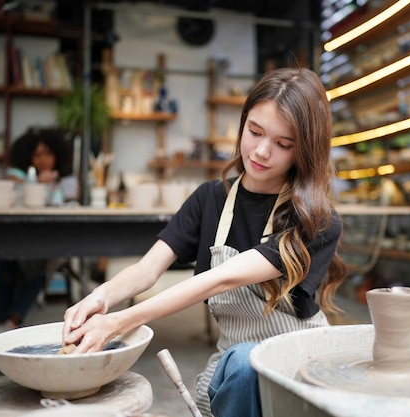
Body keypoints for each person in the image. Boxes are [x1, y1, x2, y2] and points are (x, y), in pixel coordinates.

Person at [62, 67, 347, 417]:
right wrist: (100, 297)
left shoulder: (316, 220)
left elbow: (221, 278)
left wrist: (121, 322)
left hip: (299, 364)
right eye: (254, 132)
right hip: (235, 361)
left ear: (304, 149)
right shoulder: (209, 199)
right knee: (240, 365)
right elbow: (147, 269)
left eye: (283, 144)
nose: (260, 151)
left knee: (246, 364)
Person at [0, 128, 76, 333]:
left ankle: (10, 322)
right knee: (1, 260)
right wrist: (37, 183)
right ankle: (3, 324)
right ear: (28, 157)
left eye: (47, 154)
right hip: (14, 240)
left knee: (40, 267)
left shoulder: (64, 180)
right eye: (37, 155)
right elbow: (11, 184)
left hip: (45, 244)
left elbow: (71, 202)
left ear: (57, 155)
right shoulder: (20, 175)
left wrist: (58, 188)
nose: (43, 159)